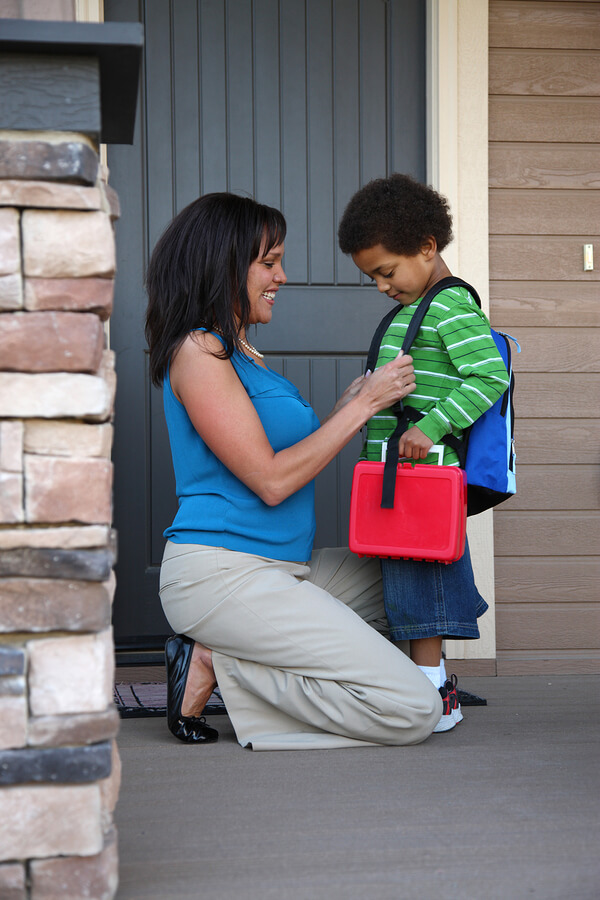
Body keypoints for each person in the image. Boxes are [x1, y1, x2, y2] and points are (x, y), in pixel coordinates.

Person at [144, 191, 442, 751]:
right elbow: (272, 480)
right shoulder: (197, 353)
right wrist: (361, 407)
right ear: (224, 262)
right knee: (411, 710)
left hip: (285, 568)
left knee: (413, 578)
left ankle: (239, 654)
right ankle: (219, 663)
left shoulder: (243, 353)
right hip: (222, 575)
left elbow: (279, 452)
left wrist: (348, 410)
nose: (282, 276)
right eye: (269, 261)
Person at [338, 173, 510, 732]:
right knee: (403, 574)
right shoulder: (417, 310)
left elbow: (489, 376)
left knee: (421, 577)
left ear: (427, 248)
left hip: (425, 472)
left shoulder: (449, 306)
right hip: (398, 474)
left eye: (387, 271)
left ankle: (432, 694)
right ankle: (423, 685)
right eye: (373, 277)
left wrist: (433, 427)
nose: (382, 286)